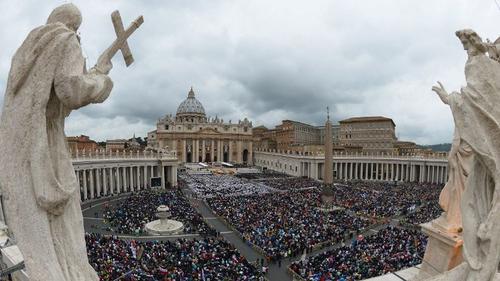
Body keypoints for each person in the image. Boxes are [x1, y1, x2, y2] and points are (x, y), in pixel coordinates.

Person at [0, 4, 113, 281]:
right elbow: (70, 91)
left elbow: (53, 99)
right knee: (66, 222)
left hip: (18, 143)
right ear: (75, 26)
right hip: (46, 141)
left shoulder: (26, 51)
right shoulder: (65, 39)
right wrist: (101, 79)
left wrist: (93, 67)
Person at [432, 29, 500, 281]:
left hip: (492, 165)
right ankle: (476, 265)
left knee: (479, 212)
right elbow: (470, 104)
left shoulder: (490, 77)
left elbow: (473, 104)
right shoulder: (486, 76)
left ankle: (480, 269)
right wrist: (450, 99)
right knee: (471, 206)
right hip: (485, 164)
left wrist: (451, 99)